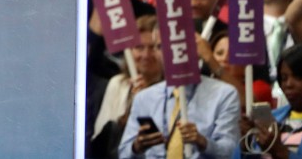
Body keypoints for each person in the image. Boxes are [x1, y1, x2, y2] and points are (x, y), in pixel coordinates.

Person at [119, 70, 240, 158]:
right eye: (160, 46)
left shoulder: (224, 94)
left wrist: (203, 142)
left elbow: (230, 151)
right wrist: (136, 147)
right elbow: (123, 153)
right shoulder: (144, 98)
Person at [91, 16, 165, 159]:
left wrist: (145, 101)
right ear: (129, 51)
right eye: (139, 47)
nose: (146, 54)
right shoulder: (118, 83)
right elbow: (102, 133)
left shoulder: (172, 89)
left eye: (154, 47)